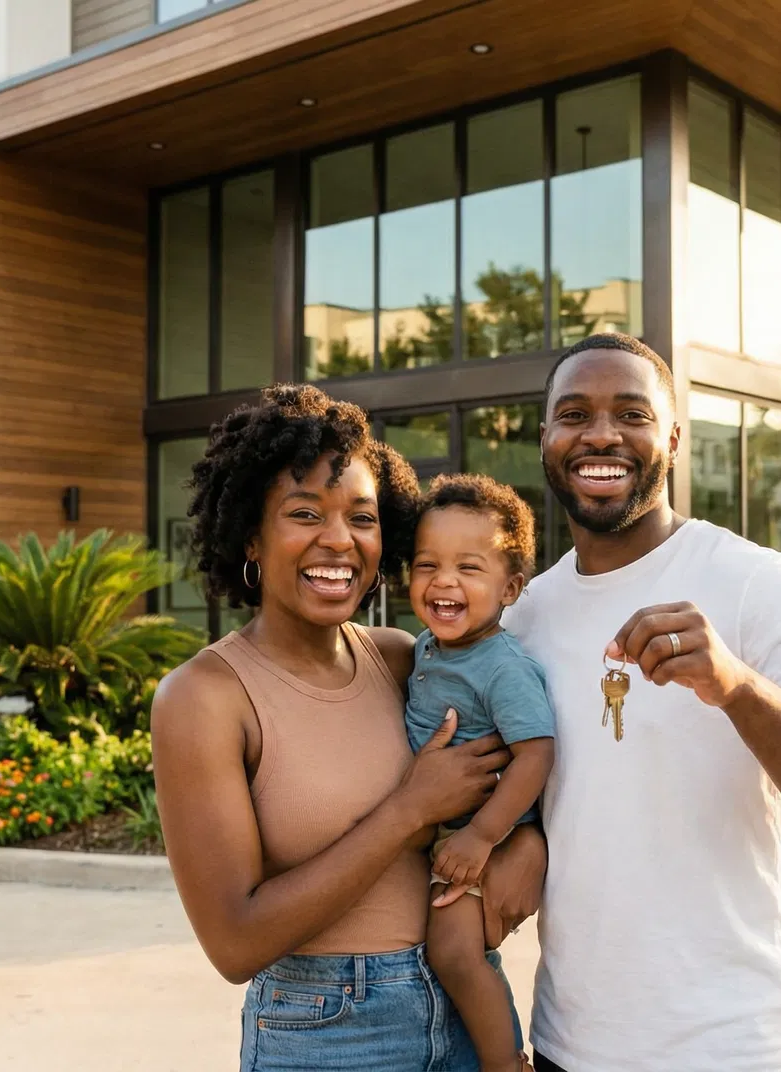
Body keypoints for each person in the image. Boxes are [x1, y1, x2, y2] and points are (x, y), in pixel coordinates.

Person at [505, 333, 781, 1072]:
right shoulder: (528, 615)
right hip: (570, 1045)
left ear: (674, 439)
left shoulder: (755, 582)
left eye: (632, 413)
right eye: (574, 414)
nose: (600, 434)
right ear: (546, 440)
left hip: (736, 1047)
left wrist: (737, 687)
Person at [149, 384, 546, 1072]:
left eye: (362, 518)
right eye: (305, 514)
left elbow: (518, 760)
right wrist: (410, 810)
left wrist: (525, 846)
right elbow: (235, 944)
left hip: (461, 1004)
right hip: (329, 1031)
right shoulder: (204, 698)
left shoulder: (403, 657)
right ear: (251, 532)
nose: (339, 540)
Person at [402, 474, 556, 1072]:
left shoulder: (502, 667)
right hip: (451, 830)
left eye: (469, 568)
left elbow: (537, 754)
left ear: (510, 587)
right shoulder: (427, 648)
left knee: (457, 955)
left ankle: (503, 1062)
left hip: (480, 836)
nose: (444, 581)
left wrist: (483, 835)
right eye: (427, 565)